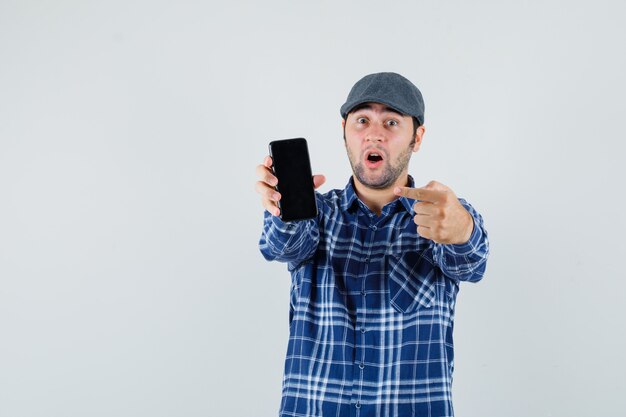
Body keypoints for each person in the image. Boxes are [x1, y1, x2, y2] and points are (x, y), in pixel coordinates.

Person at [256, 72, 490, 417]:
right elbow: (283, 245)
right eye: (362, 120)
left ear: (417, 137)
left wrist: (462, 229)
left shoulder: (441, 215)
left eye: (392, 122)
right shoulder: (313, 213)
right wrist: (282, 205)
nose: (374, 133)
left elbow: (472, 262)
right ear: (344, 132)